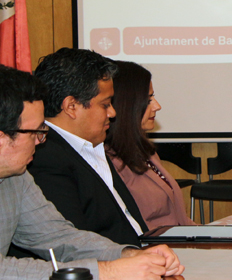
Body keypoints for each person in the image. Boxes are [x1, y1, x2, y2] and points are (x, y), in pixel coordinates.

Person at [0, 65, 184, 280]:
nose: (41, 142)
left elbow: (57, 236)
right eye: (36, 133)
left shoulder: (17, 176)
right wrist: (108, 272)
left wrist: (130, 254)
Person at [27, 48, 147, 246]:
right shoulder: (45, 157)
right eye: (105, 104)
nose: (113, 113)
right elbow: (72, 243)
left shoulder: (90, 144)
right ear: (71, 106)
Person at [105, 61, 194, 228]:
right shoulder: (108, 163)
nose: (157, 106)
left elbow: (179, 220)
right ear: (126, 105)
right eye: (148, 100)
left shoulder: (145, 152)